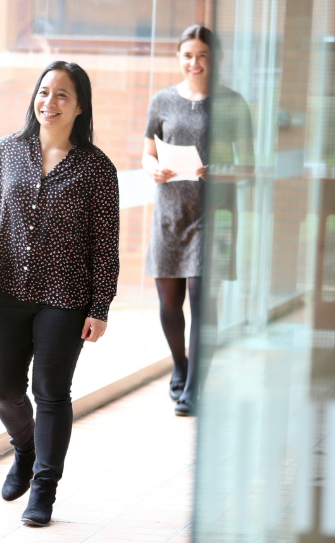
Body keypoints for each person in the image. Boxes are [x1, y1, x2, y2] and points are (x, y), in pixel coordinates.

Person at [0, 61, 120, 526]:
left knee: (51, 393)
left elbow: (104, 244)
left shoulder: (96, 168)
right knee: (2, 388)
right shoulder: (7, 151)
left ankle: (44, 488)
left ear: (80, 106)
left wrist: (100, 306)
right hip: (6, 288)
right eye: (44, 92)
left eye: (62, 95)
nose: (49, 102)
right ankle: (25, 451)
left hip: (65, 296)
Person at [141, 25, 254, 416]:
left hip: (213, 214)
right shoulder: (162, 100)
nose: (195, 62)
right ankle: (180, 363)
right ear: (179, 57)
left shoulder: (233, 103)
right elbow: (147, 153)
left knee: (202, 300)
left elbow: (248, 167)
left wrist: (218, 169)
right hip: (171, 214)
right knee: (169, 304)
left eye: (203, 55)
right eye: (188, 55)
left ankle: (194, 386)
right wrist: (153, 168)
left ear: (215, 58)